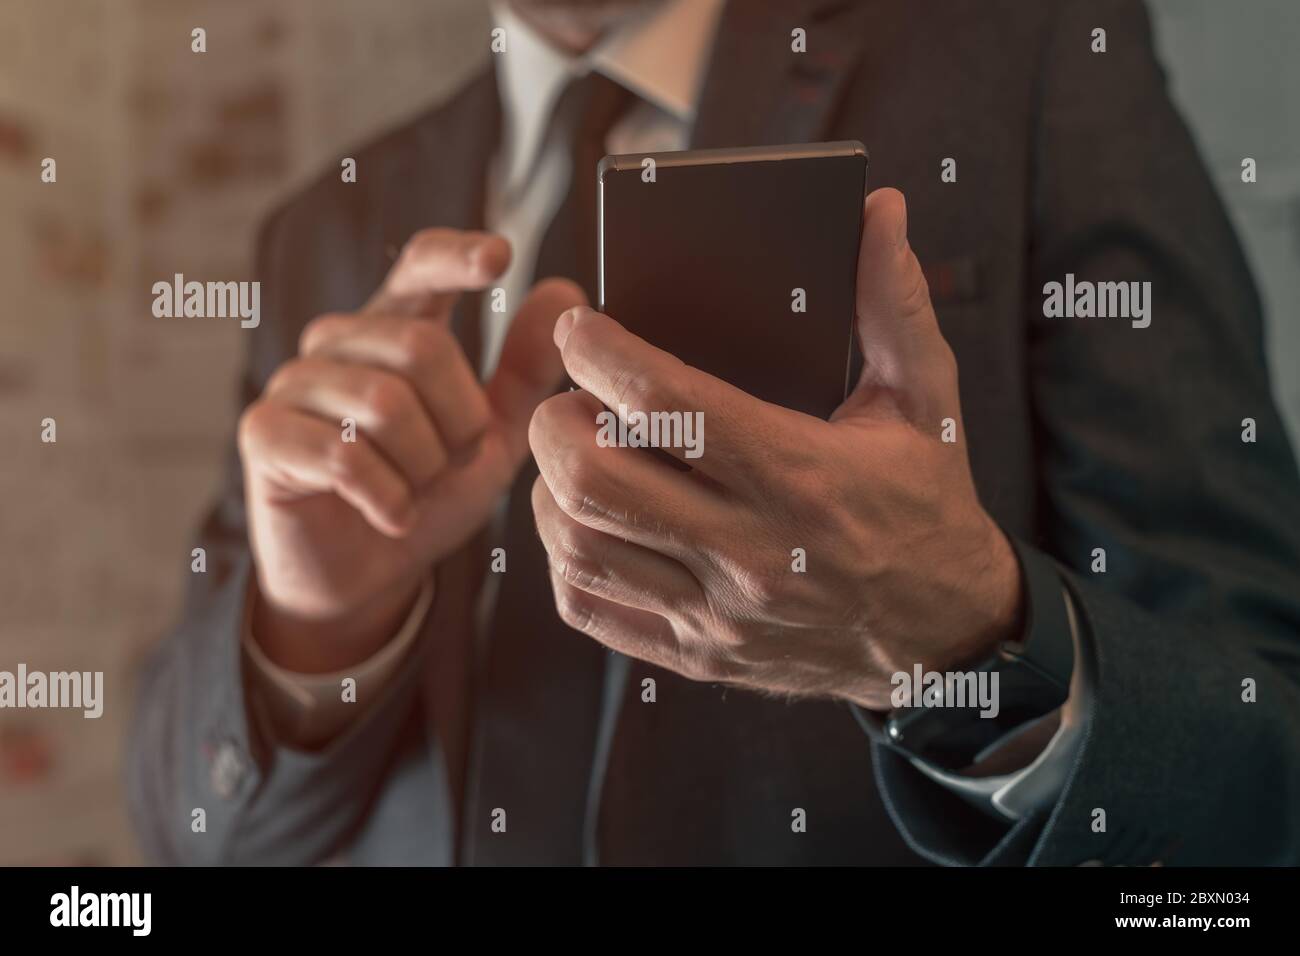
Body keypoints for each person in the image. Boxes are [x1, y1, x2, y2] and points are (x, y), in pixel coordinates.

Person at [128, 0, 1300, 865]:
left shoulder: (1034, 58)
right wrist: (318, 627)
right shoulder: (322, 226)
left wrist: (959, 644)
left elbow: (1261, 743)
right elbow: (189, 828)